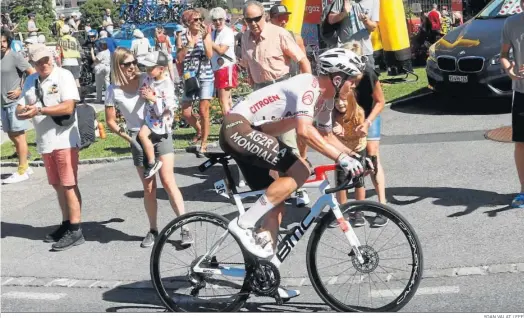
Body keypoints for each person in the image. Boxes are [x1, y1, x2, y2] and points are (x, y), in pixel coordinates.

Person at [220, 48, 368, 299]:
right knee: (300, 168)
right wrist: (341, 158)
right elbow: (303, 131)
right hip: (238, 127)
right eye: (351, 78)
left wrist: (355, 157)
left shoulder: (327, 99)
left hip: (256, 134)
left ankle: (264, 277)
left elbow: (325, 134)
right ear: (336, 77)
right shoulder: (309, 87)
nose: (353, 84)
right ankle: (243, 224)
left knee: (276, 210)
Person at [104, 47, 192, 247]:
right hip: (138, 136)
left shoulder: (147, 77)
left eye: (134, 62)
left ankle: (185, 226)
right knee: (149, 188)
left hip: (159, 132)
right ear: (118, 66)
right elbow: (110, 121)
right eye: (127, 64)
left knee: (168, 182)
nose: (133, 67)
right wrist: (129, 138)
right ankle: (153, 230)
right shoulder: (113, 90)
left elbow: (166, 82)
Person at [16, 44, 84, 251]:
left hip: (64, 138)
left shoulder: (63, 76)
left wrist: (39, 110)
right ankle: (66, 223)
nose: (44, 64)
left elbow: (68, 106)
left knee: (69, 184)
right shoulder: (30, 80)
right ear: (33, 63)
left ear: (52, 57)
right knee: (57, 185)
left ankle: (76, 229)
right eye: (38, 61)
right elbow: (19, 107)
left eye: (46, 59)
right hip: (45, 140)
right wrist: (24, 111)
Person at [176, 9, 214, 156]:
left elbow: (209, 55)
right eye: (195, 20)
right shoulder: (181, 36)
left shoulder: (206, 35)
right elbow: (179, 58)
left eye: (200, 19)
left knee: (204, 111)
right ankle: (199, 129)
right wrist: (189, 44)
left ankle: (204, 144)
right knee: (186, 112)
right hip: (189, 77)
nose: (199, 22)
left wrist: (204, 40)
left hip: (205, 76)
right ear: (187, 22)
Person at [1, 29, 36, 184]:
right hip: (3, 103)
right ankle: (26, 165)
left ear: (8, 41)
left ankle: (22, 170)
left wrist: (21, 90)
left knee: (19, 135)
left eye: (3, 41)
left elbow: (32, 73)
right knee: (11, 134)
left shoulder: (15, 56)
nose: (1, 45)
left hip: (15, 103)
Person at [137, 51, 177, 179]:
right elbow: (144, 87)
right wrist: (144, 92)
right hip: (151, 117)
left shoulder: (167, 84)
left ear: (161, 69)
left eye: (151, 68)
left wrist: (154, 98)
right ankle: (152, 161)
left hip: (161, 119)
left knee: (143, 135)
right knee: (142, 135)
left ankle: (152, 162)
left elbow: (170, 104)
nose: (147, 70)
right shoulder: (149, 78)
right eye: (146, 67)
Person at [500, 0, 524, 208]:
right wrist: (510, 71)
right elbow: (504, 55)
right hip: (521, 91)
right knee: (521, 143)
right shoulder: (512, 23)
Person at [328, 0, 379, 68]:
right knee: (348, 78)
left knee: (369, 77)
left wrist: (366, 21)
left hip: (365, 52)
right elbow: (331, 19)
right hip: (346, 51)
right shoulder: (341, 1)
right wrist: (344, 13)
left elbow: (373, 27)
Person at [209, 7, 237, 115]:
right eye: (215, 20)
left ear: (224, 19)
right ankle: (233, 123)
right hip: (217, 68)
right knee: (227, 100)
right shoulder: (213, 33)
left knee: (223, 100)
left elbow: (221, 50)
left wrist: (209, 41)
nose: (218, 22)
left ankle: (228, 124)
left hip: (226, 67)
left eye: (220, 19)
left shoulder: (227, 32)